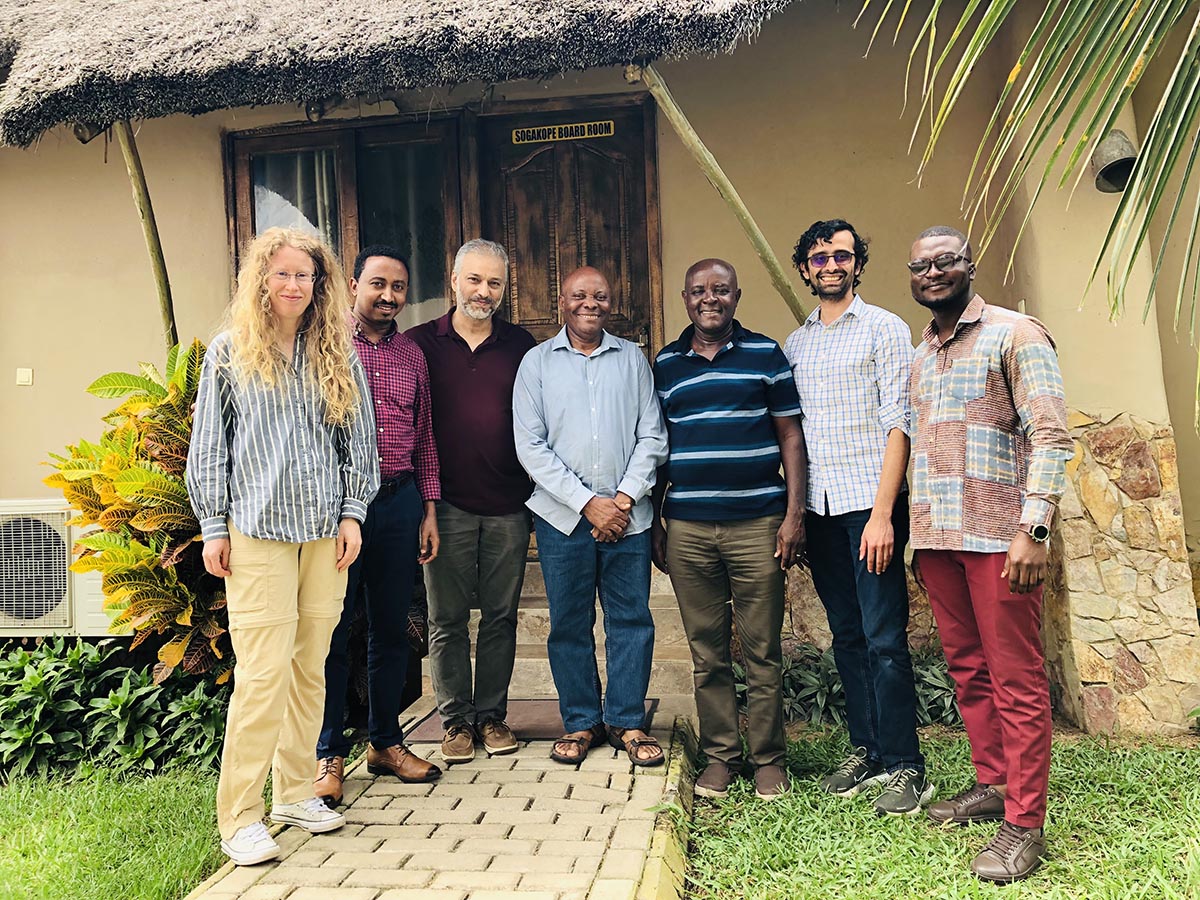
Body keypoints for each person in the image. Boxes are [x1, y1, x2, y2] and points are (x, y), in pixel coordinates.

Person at [187, 227, 378, 866]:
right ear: (260, 280)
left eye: (307, 275)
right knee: (263, 676)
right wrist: (213, 525)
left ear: (320, 285)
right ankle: (239, 816)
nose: (295, 285)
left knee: (309, 667)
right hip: (258, 535)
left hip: (325, 534)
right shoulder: (228, 353)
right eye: (283, 274)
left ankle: (295, 792)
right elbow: (210, 449)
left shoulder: (338, 353)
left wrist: (353, 514)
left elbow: (361, 444)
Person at [907, 225, 1072, 882]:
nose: (933, 272)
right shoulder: (922, 352)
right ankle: (993, 783)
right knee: (970, 671)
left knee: (1017, 679)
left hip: (1000, 540)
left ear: (970, 265)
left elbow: (1052, 435)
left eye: (946, 260)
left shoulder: (1016, 333)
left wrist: (1034, 529)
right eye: (920, 265)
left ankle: (1024, 825)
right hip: (939, 539)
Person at [784, 219, 930, 815]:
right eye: (819, 258)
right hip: (819, 511)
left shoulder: (885, 329)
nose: (830, 265)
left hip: (869, 511)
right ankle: (867, 748)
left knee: (884, 638)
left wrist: (883, 515)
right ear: (805, 269)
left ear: (857, 264)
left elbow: (901, 422)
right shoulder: (796, 344)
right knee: (846, 635)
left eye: (841, 255)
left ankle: (904, 764)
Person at [651, 258, 805, 800]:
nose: (709, 298)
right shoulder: (666, 364)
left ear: (737, 296)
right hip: (689, 528)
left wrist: (793, 514)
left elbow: (790, 436)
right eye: (698, 291)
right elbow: (658, 448)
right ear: (684, 297)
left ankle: (768, 759)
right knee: (707, 651)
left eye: (720, 289)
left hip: (758, 524)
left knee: (762, 651)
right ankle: (720, 755)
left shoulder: (766, 354)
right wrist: (656, 522)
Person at [512, 266, 669, 766]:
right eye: (579, 295)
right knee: (569, 625)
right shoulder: (536, 364)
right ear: (562, 301)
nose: (590, 303)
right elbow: (530, 447)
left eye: (599, 295)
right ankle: (581, 721)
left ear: (610, 301)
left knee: (631, 621)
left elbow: (653, 436)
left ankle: (626, 721)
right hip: (563, 520)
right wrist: (588, 503)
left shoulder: (632, 360)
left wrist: (621, 500)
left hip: (629, 519)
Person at [313, 244, 442, 808]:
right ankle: (327, 753)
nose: (388, 296)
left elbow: (426, 434)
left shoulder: (412, 355)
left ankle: (386, 743)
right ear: (352, 286)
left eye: (398, 287)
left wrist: (428, 507)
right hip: (338, 507)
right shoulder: (324, 345)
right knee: (332, 631)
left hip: (398, 504)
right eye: (377, 284)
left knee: (391, 629)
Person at [407, 239, 537, 763]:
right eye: (475, 280)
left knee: (502, 615)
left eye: (495, 283)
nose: (484, 292)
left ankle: (492, 717)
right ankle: (455, 722)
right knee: (447, 620)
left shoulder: (522, 345)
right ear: (454, 279)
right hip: (447, 506)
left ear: (505, 288)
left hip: (508, 504)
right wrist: (425, 507)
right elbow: (412, 430)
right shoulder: (420, 344)